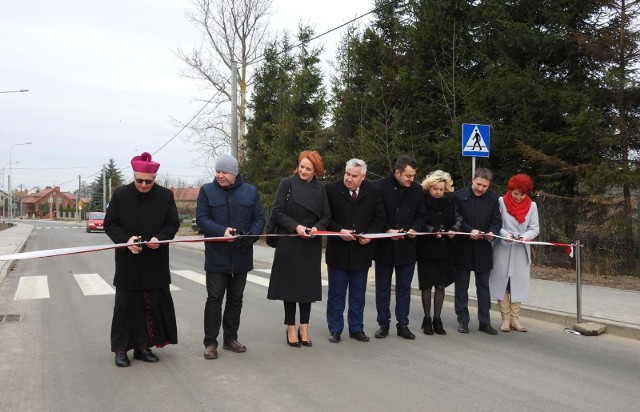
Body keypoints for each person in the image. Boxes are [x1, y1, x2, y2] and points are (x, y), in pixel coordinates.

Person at [104, 152, 180, 367]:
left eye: (149, 181)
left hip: (154, 261)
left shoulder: (165, 196)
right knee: (125, 307)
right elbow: (110, 224)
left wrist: (161, 238)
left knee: (150, 306)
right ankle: (120, 350)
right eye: (140, 181)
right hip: (128, 261)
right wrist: (125, 241)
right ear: (134, 177)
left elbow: (172, 224)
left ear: (155, 179)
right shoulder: (120, 195)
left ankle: (143, 347)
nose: (144, 185)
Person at [197, 154, 265, 359]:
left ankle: (230, 338)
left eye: (224, 172)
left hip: (241, 256)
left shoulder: (250, 192)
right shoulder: (207, 191)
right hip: (216, 257)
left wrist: (248, 237)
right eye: (217, 171)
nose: (220, 175)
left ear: (234, 173)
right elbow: (202, 219)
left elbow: (259, 219)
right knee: (214, 299)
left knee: (236, 299)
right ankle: (210, 342)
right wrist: (221, 231)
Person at [267, 150, 331, 347]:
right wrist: (296, 226)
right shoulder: (287, 184)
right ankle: (291, 327)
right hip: (290, 241)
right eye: (301, 166)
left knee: (306, 287)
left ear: (316, 171)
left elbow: (326, 216)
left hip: (310, 244)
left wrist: (316, 228)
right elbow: (277, 212)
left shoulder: (320, 189)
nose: (303, 171)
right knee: (289, 287)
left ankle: (305, 326)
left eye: (308, 169)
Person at [325, 158, 386, 343]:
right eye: (347, 174)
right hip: (338, 251)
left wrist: (370, 234)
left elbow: (380, 218)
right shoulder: (330, 190)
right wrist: (338, 232)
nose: (349, 179)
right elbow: (326, 217)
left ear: (363, 177)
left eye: (354, 176)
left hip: (362, 251)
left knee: (358, 293)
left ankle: (356, 328)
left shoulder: (374, 191)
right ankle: (335, 329)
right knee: (336, 293)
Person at [373, 155, 426, 340]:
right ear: (397, 172)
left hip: (407, 247)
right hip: (385, 246)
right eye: (408, 176)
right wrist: (387, 230)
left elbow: (421, 215)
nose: (412, 179)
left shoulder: (417, 190)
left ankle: (403, 324)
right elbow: (376, 215)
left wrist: (415, 229)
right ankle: (383, 323)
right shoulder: (379, 187)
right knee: (383, 287)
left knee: (404, 288)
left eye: (413, 176)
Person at [453, 167, 502, 335]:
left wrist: (492, 233)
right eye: (478, 184)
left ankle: (485, 321)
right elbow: (456, 219)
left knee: (483, 287)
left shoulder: (494, 199)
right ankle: (463, 320)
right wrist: (469, 231)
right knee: (462, 287)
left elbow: (497, 221)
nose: (480, 188)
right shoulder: (459, 196)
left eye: (485, 186)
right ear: (473, 180)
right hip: (463, 248)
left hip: (483, 249)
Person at [489, 173, 539, 332]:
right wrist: (505, 234)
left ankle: (515, 319)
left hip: (520, 250)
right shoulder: (501, 202)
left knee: (518, 284)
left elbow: (534, 229)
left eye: (522, 194)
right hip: (502, 248)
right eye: (515, 193)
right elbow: (496, 222)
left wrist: (525, 237)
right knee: (502, 282)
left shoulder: (532, 206)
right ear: (510, 190)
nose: (518, 197)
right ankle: (505, 318)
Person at [416, 170, 461, 336]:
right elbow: (419, 220)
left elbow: (458, 218)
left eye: (441, 189)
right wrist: (432, 230)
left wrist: (455, 229)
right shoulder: (422, 200)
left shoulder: (450, 201)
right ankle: (427, 319)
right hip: (426, 248)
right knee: (427, 284)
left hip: (445, 248)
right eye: (435, 188)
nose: (438, 192)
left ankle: (437, 318)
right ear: (429, 187)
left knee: (441, 285)